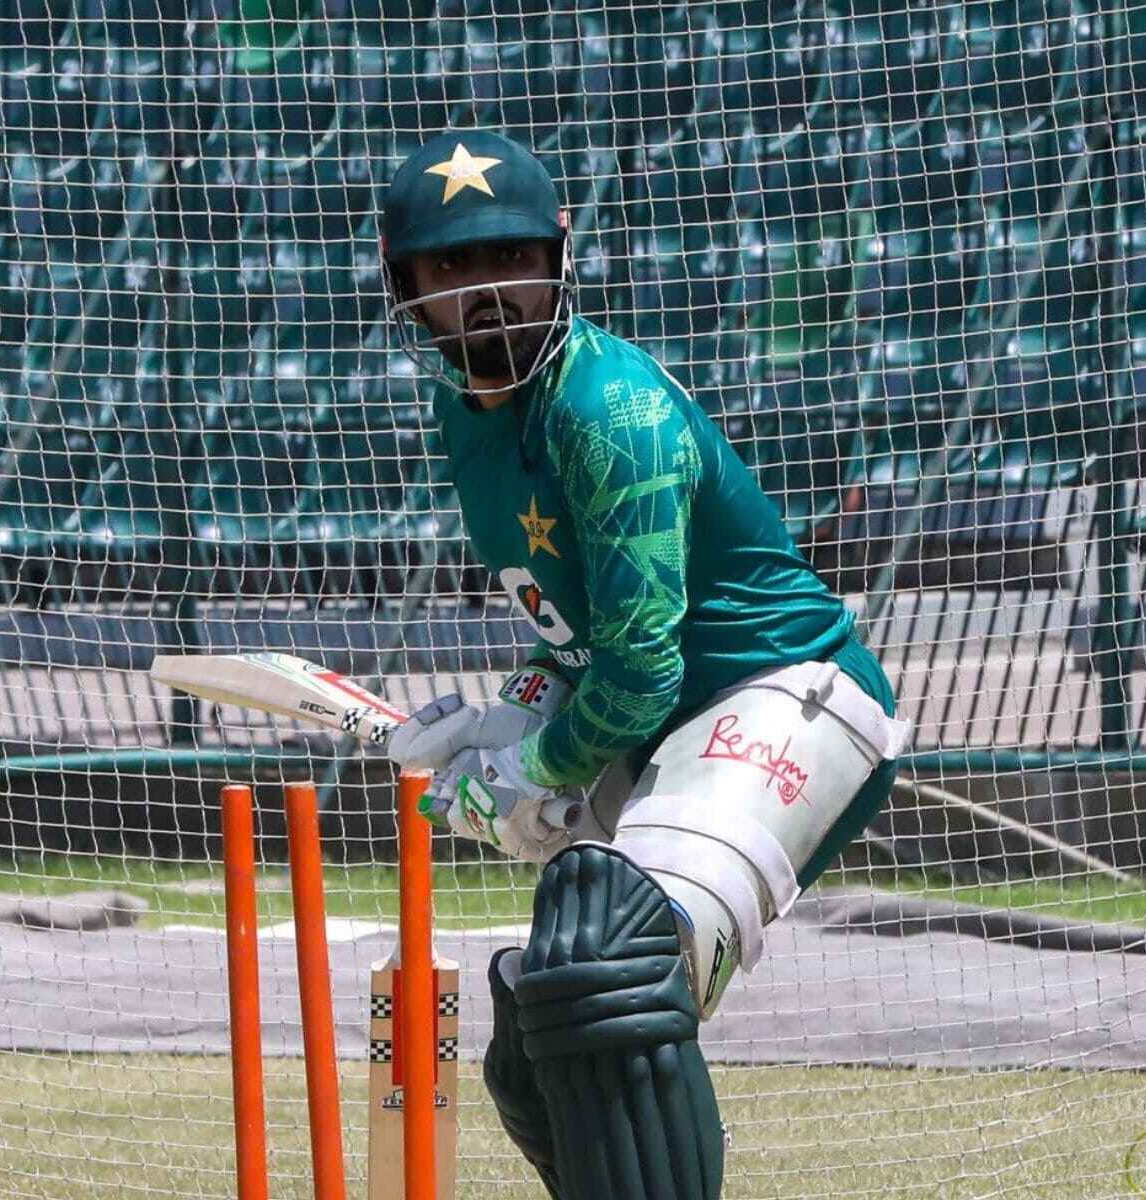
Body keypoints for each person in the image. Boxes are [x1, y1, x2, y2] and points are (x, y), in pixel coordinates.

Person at [375, 128, 911, 1200]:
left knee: (606, 962)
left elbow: (641, 668)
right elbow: (576, 624)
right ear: (407, 288)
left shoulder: (606, 409)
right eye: (455, 269)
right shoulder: (465, 410)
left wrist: (543, 767)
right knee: (540, 1052)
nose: (489, 295)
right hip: (657, 716)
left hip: (783, 692)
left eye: (511, 260)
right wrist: (512, 719)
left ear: (561, 254)